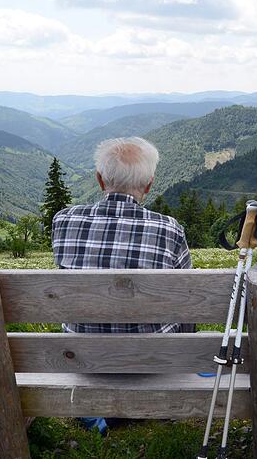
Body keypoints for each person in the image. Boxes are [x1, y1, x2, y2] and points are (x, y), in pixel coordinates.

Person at [52, 136, 192, 433]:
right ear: (149, 185)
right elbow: (187, 304)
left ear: (100, 180)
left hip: (83, 358)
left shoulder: (63, 221)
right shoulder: (169, 229)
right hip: (150, 361)